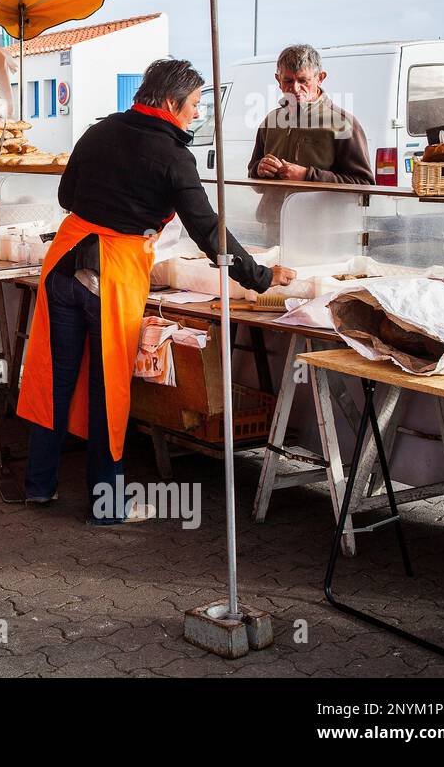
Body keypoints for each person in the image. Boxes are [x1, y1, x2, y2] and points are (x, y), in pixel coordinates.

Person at [18, 59, 295, 524]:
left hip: (63, 265)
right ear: (170, 104)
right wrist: (261, 276)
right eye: (193, 106)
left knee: (56, 377)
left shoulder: (98, 131)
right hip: (110, 275)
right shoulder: (174, 158)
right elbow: (209, 232)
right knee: (108, 389)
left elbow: (67, 197)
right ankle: (108, 507)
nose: (195, 115)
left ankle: (39, 487)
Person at [247, 44, 374, 184]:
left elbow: (364, 183)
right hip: (272, 206)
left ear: (320, 78)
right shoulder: (270, 121)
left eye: (303, 81)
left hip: (320, 207)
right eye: (288, 81)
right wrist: (259, 169)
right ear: (278, 80)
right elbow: (252, 172)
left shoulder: (343, 124)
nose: (295, 88)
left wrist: (307, 176)